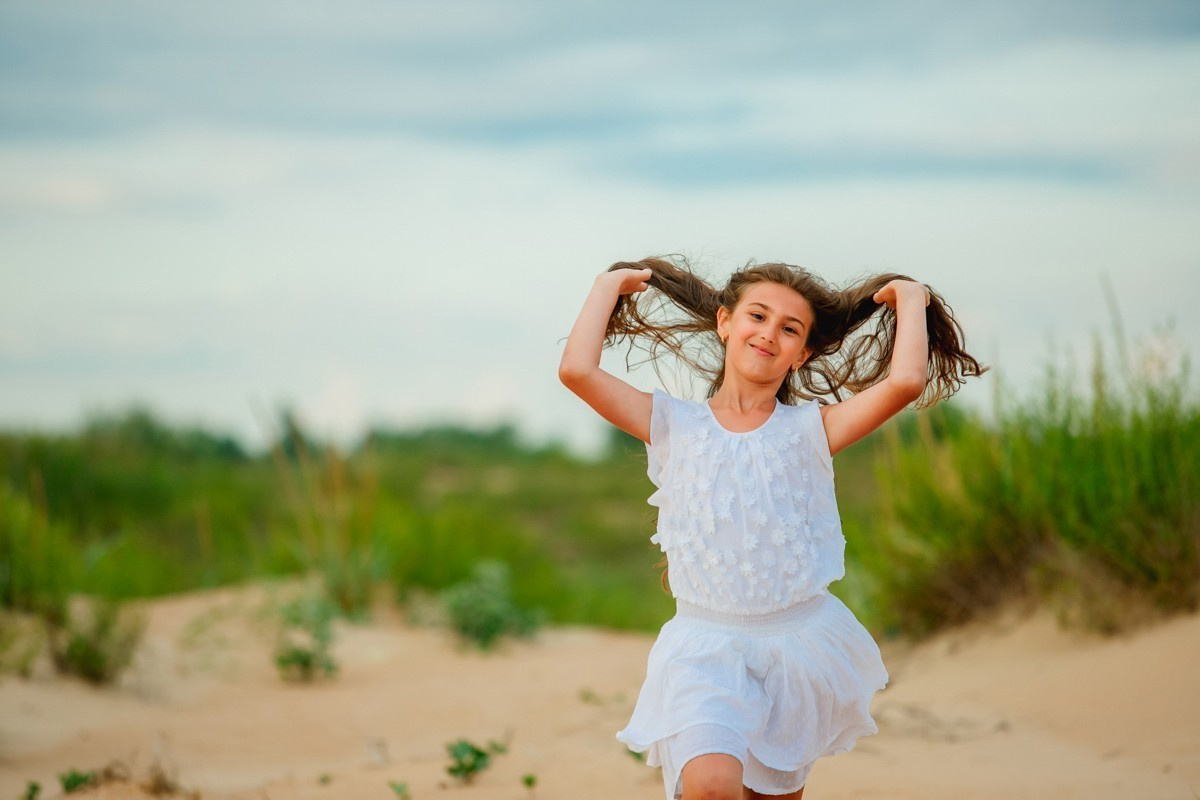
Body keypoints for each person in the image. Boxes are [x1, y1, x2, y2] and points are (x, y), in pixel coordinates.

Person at [558, 256, 985, 800]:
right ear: (724, 323)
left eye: (789, 328)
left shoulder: (812, 429)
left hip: (796, 650)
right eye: (756, 316)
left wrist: (911, 298)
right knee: (711, 785)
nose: (768, 334)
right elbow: (576, 371)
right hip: (704, 649)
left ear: (803, 353)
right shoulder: (672, 423)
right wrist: (604, 288)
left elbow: (905, 381)